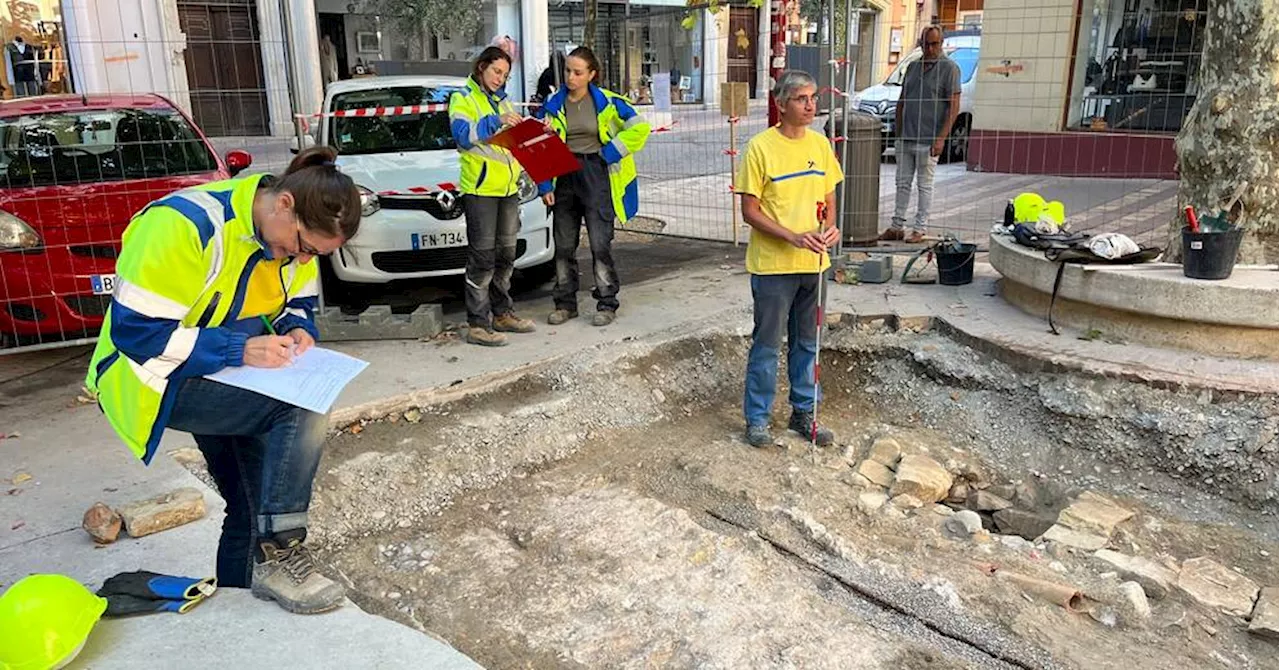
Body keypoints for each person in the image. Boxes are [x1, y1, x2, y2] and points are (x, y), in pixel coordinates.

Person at [85, 146, 361, 614]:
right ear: (284, 204)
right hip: (153, 375)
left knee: (250, 501)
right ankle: (282, 553)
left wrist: (298, 326)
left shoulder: (291, 240)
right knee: (302, 406)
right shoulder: (184, 226)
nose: (300, 259)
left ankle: (235, 614)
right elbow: (137, 333)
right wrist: (238, 349)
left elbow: (297, 299)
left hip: (227, 371)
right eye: (303, 247)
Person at [735, 70, 843, 448]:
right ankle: (758, 419)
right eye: (801, 98)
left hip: (814, 268)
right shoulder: (760, 148)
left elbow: (829, 200)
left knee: (808, 343)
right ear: (781, 105)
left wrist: (831, 229)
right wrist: (793, 237)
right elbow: (750, 210)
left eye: (813, 97)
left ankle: (805, 413)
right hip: (773, 268)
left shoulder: (820, 145)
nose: (811, 105)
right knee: (767, 344)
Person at [534, 46, 651, 327]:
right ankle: (565, 304)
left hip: (595, 173)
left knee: (600, 243)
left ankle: (607, 302)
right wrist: (544, 185)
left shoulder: (609, 102)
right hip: (563, 175)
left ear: (591, 75)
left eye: (577, 72)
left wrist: (610, 152)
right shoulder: (551, 105)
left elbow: (640, 127)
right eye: (567, 71)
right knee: (563, 245)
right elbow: (538, 146)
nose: (570, 77)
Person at [448, 46, 538, 346]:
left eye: (505, 74)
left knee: (506, 257)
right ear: (481, 67)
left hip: (508, 190)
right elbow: (462, 134)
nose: (500, 78)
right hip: (481, 191)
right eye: (496, 71)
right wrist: (496, 122)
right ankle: (477, 323)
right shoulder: (463, 98)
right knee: (482, 260)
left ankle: (502, 314)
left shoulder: (504, 102)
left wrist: (537, 132)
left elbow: (513, 144)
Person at [881, 25, 960, 244]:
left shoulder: (949, 68)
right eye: (926, 43)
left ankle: (920, 228)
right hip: (906, 136)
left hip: (929, 138)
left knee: (925, 185)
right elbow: (902, 100)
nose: (930, 48)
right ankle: (897, 226)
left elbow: (954, 106)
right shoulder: (913, 67)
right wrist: (897, 132)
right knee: (902, 183)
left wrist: (941, 138)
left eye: (934, 43)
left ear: (941, 43)